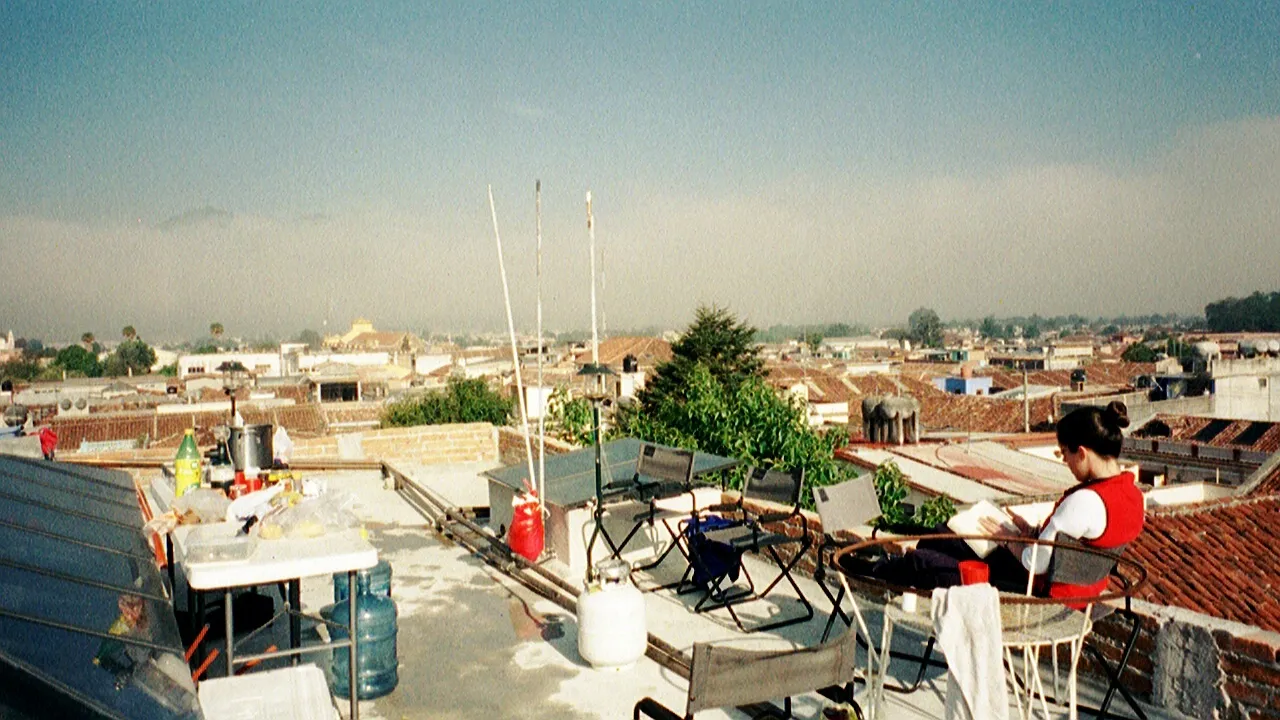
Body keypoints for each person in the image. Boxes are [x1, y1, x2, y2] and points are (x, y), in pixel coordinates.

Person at [847, 401, 1145, 601]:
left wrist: (1008, 540)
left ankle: (875, 571)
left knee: (928, 562)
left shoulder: (1085, 501)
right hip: (1080, 589)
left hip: (1039, 594)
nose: (1065, 461)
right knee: (945, 538)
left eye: (1065, 454)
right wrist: (1031, 533)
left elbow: (1036, 564)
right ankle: (889, 563)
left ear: (1081, 452)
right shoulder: (1132, 495)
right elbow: (1075, 549)